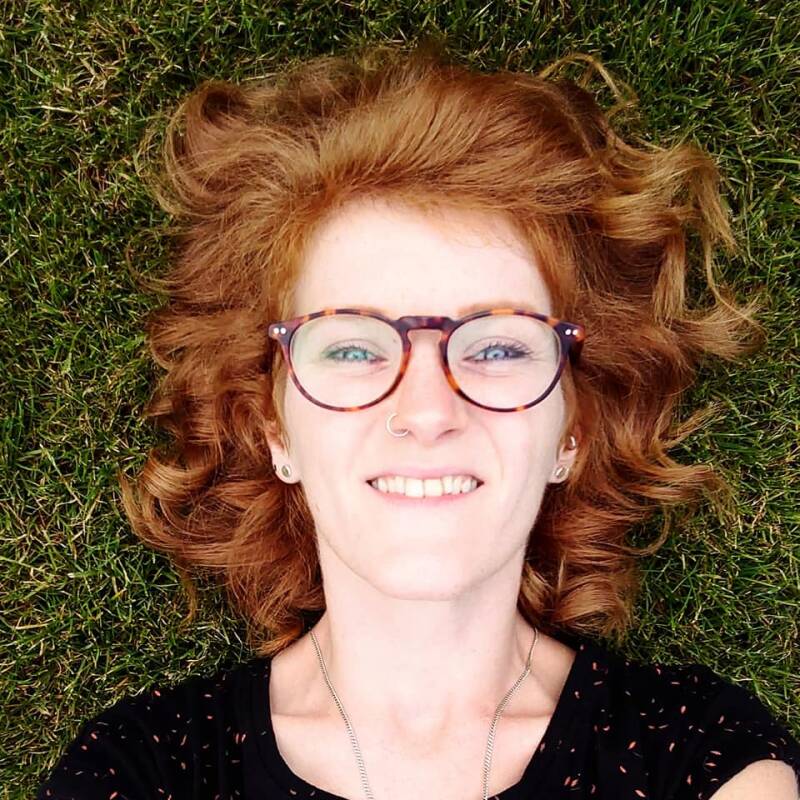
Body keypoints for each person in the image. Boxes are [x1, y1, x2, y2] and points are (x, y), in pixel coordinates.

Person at [36, 39, 799, 800]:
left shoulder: (702, 758)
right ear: (276, 428)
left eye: (497, 346)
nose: (428, 411)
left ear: (572, 430)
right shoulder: (141, 771)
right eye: (354, 349)